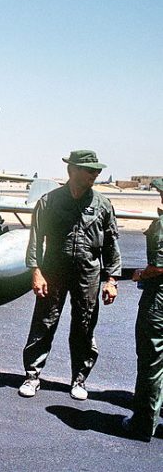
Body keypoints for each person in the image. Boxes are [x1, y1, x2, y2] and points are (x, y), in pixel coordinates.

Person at [18, 150, 121, 400]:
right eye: (90, 170)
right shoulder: (49, 201)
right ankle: (32, 375)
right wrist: (36, 272)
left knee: (85, 325)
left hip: (88, 273)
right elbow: (35, 240)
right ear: (72, 170)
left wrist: (112, 279)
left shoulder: (103, 204)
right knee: (44, 321)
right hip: (53, 269)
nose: (95, 174)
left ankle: (79, 380)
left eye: (97, 170)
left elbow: (111, 244)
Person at [123, 178, 163, 440]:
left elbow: (159, 266)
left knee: (151, 363)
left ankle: (143, 425)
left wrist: (139, 274)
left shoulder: (160, 226)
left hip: (158, 303)